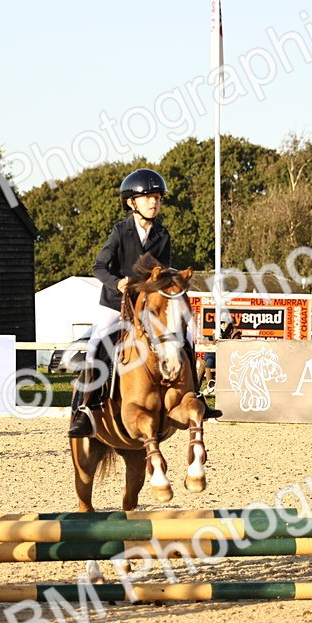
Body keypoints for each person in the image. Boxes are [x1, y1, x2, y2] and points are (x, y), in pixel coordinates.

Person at [68, 168, 220, 437]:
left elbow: (164, 273)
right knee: (95, 346)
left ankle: (197, 395)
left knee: (186, 337)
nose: (154, 202)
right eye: (148, 197)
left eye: (157, 198)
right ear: (131, 202)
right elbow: (99, 267)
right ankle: (84, 409)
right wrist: (117, 282)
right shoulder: (120, 231)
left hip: (149, 307)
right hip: (116, 303)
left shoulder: (163, 235)